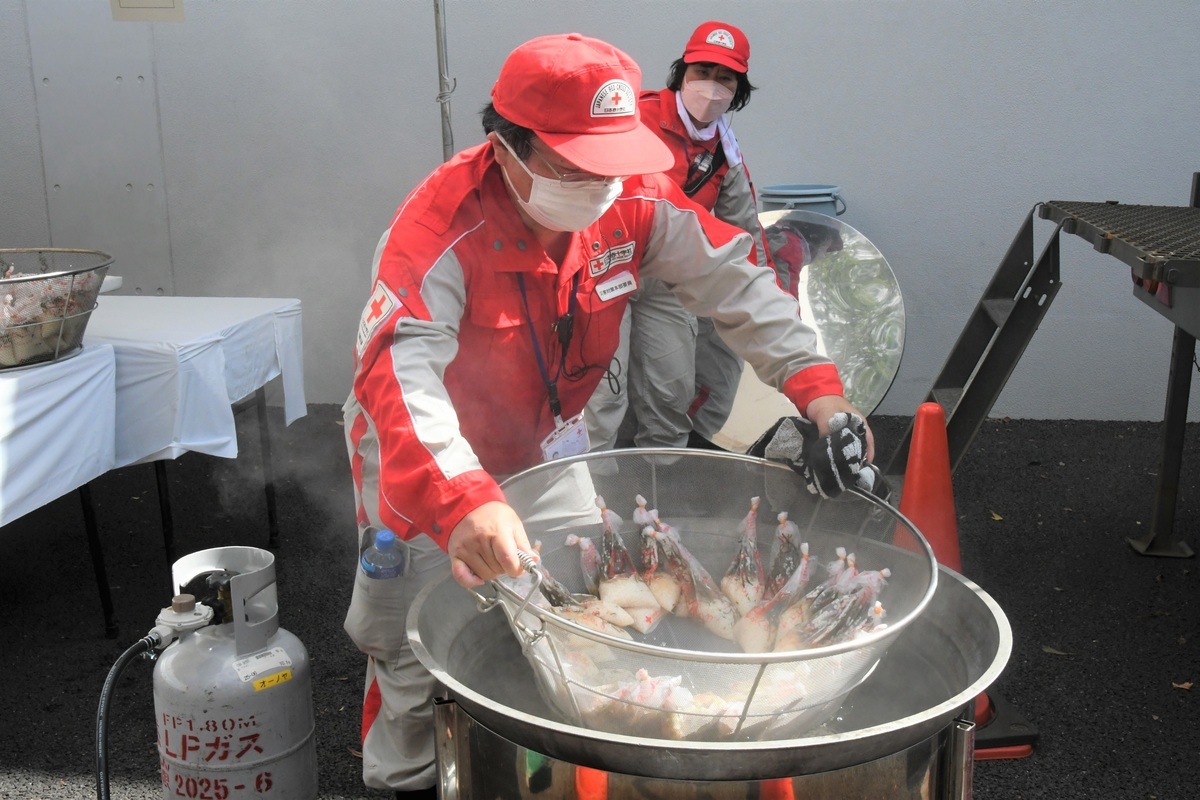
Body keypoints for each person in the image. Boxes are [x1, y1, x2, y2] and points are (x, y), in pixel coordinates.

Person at [342, 32, 875, 799]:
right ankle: (410, 777)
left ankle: (540, 764)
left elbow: (737, 281)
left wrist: (820, 394)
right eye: (573, 164)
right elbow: (400, 378)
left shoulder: (632, 198)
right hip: (426, 463)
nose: (598, 185)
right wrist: (463, 499)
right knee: (410, 645)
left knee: (577, 610)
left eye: (612, 161)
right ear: (507, 146)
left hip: (552, 446)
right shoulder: (438, 230)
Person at [586, 20, 777, 454]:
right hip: (604, 269)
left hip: (667, 280)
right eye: (701, 72)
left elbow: (742, 229)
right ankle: (592, 512)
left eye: (724, 78)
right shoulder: (635, 115)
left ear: (738, 89)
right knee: (600, 401)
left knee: (671, 398)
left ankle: (661, 506)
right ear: (681, 74)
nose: (710, 87)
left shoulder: (725, 150)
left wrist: (772, 302)